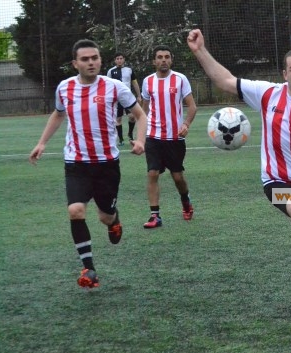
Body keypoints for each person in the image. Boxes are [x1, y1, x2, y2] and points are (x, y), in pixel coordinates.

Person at [187, 28, 291, 303]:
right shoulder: (267, 94)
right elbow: (226, 80)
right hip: (277, 179)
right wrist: (199, 51)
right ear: (284, 74)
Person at [29, 39, 147, 289]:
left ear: (100, 60)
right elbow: (58, 114)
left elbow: (140, 115)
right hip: (76, 163)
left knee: (105, 216)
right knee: (75, 210)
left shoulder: (114, 87)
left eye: (95, 58)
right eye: (85, 59)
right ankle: (89, 269)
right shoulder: (65, 88)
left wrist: (140, 140)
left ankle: (114, 220)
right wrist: (42, 143)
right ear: (75, 63)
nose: (91, 62)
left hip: (107, 164)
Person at [140, 45, 198, 229]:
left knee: (177, 177)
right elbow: (143, 111)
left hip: (174, 138)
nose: (163, 60)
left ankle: (185, 201)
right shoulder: (148, 81)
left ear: (171, 60)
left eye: (167, 57)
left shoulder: (180, 79)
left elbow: (192, 106)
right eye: (160, 57)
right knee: (152, 173)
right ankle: (155, 216)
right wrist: (141, 136)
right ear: (154, 61)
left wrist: (186, 124)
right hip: (153, 136)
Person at [107, 52, 142, 145]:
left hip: (127, 97)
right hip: (116, 98)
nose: (119, 60)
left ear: (124, 59)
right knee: (118, 119)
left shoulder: (129, 70)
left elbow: (134, 83)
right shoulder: (111, 71)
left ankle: (130, 134)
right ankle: (121, 139)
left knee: (132, 117)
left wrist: (139, 95)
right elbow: (108, 85)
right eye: (117, 59)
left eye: (121, 58)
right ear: (115, 60)